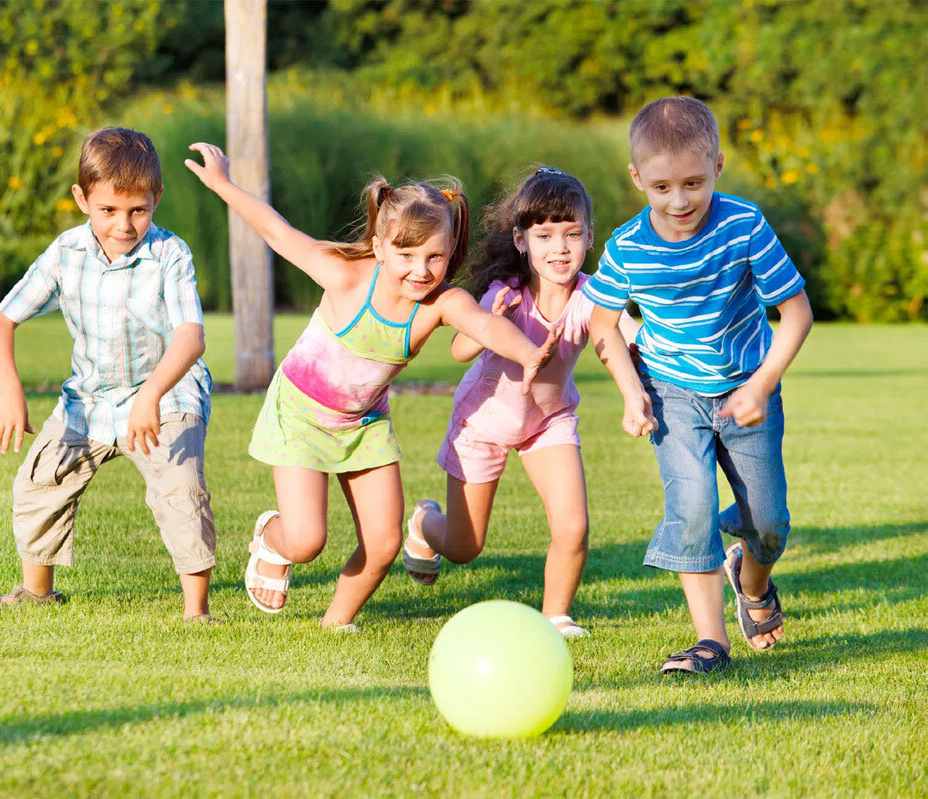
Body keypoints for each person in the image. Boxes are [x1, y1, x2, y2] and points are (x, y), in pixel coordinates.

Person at [184, 142, 557, 630]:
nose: (420, 271)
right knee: (306, 540)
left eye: (435, 256)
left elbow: (485, 326)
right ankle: (274, 540)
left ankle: (335, 624)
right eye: (406, 254)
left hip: (364, 424)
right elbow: (277, 232)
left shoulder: (440, 303)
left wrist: (530, 353)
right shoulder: (344, 276)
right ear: (380, 246)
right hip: (300, 415)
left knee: (382, 544)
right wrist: (223, 185)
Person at [584, 97, 813, 674]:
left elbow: (797, 311)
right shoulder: (628, 247)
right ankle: (711, 640)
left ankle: (752, 581)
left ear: (717, 167)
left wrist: (762, 385)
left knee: (768, 522)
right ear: (638, 178)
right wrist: (632, 392)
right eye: (661, 187)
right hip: (672, 394)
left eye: (693, 182)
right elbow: (601, 323)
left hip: (745, 391)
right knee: (691, 506)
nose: (679, 200)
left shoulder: (743, 225)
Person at [0, 127, 218, 623]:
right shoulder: (65, 253)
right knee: (41, 480)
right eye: (109, 210)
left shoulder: (170, 256)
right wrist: (10, 391)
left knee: (180, 489)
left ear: (157, 199)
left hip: (166, 394)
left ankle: (197, 612)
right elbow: (1, 322)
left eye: (138, 210)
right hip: (88, 400)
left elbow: (191, 337)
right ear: (82, 198)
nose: (124, 225)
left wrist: (152, 393)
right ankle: (37, 593)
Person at [403, 167, 640, 638]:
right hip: (483, 422)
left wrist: (642, 379)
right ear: (520, 239)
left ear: (590, 237)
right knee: (464, 546)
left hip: (548, 422)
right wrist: (488, 322)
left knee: (572, 526)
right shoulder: (505, 294)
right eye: (546, 235)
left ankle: (556, 616)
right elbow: (459, 350)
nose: (560, 248)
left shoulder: (593, 295)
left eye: (572, 234)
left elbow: (620, 337)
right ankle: (424, 523)